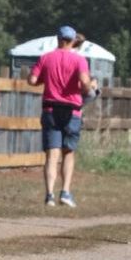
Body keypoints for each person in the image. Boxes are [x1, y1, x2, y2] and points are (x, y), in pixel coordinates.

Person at [29, 24, 95, 208]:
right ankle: (65, 192)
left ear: (57, 39)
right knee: (68, 152)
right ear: (73, 41)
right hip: (71, 110)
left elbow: (32, 80)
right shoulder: (79, 60)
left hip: (50, 108)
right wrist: (89, 88)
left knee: (52, 154)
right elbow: (83, 82)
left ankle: (49, 195)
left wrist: (46, 78)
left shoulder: (45, 58)